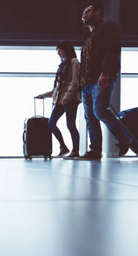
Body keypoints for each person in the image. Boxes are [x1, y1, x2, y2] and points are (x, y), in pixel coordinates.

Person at [77, 4, 131, 160]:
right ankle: (94, 151)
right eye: (83, 13)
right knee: (90, 117)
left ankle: (123, 137)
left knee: (100, 111)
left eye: (87, 11)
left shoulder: (109, 27)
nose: (84, 15)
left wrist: (105, 72)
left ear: (98, 12)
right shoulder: (88, 36)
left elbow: (113, 50)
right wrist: (81, 84)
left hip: (101, 77)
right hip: (86, 83)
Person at [36, 41, 81, 158]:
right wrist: (45, 95)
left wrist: (67, 97)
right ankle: (63, 147)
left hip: (71, 99)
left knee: (70, 124)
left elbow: (74, 81)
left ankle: (75, 151)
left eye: (60, 50)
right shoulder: (63, 65)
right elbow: (58, 88)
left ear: (66, 50)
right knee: (51, 123)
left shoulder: (74, 62)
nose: (58, 54)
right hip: (61, 99)